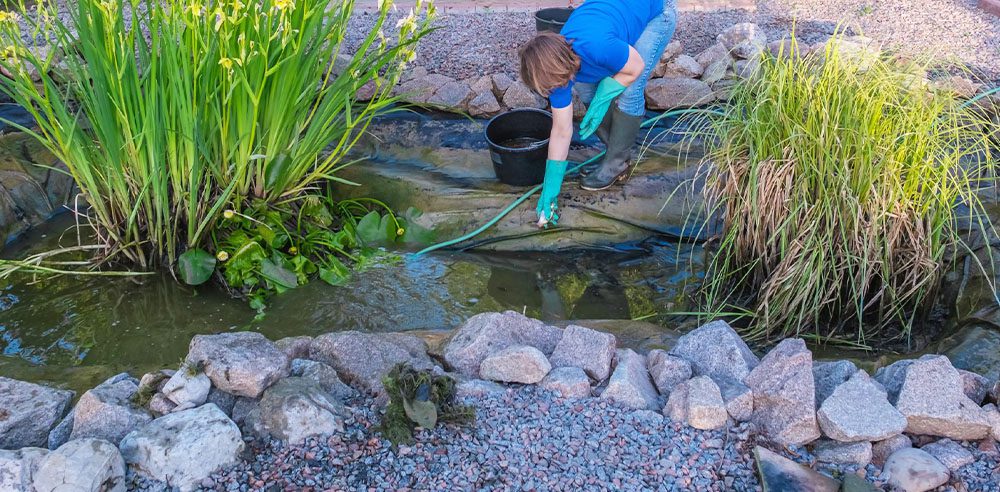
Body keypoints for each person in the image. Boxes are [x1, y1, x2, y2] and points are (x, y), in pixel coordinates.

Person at [519, 0, 677, 226]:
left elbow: (635, 67)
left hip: (655, 12)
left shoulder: (598, 47)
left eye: (552, 88)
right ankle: (615, 150)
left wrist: (604, 93)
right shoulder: (553, 69)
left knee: (630, 91)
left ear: (562, 67)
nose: (552, 92)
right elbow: (561, 130)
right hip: (613, 14)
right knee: (585, 87)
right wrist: (550, 189)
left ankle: (616, 163)